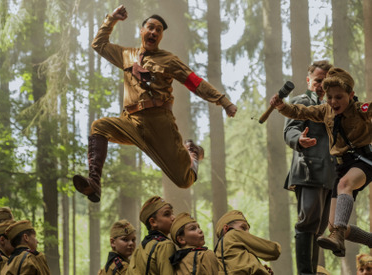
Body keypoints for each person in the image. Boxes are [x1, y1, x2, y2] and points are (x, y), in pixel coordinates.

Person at [72, 5, 238, 203]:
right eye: (150, 27)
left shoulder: (168, 60)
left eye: (158, 30)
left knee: (183, 181)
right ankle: (94, 182)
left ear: (160, 37)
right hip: (131, 122)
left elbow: (194, 82)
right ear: (142, 31)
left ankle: (192, 152)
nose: (154, 32)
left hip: (159, 123)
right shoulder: (126, 55)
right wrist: (112, 19)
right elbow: (98, 44)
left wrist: (223, 101)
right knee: (99, 126)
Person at [270, 67, 372, 257]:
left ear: (351, 95)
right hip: (342, 166)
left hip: (364, 160)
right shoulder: (325, 110)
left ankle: (338, 236)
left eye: (339, 97)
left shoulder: (361, 110)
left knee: (345, 184)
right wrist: (281, 107)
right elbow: (301, 112)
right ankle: (368, 240)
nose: (333, 102)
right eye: (330, 97)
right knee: (334, 226)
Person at [283, 60, 336, 274]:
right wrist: (299, 140)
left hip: (331, 174)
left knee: (319, 228)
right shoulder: (300, 102)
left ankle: (311, 271)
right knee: (307, 223)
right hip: (309, 171)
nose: (322, 85)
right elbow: (290, 131)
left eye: (326, 81)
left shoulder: (337, 104)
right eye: (318, 80)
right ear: (308, 80)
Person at [214, 210, 281, 274]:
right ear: (226, 228)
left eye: (248, 230)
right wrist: (277, 247)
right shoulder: (232, 234)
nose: (248, 233)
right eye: (243, 228)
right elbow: (273, 250)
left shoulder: (218, 253)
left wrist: (263, 270)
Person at [127, 196, 176, 275]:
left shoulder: (140, 248)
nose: (173, 218)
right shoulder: (165, 245)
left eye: (172, 213)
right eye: (167, 214)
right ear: (153, 222)